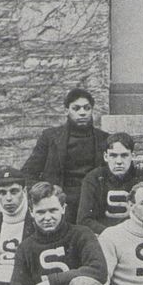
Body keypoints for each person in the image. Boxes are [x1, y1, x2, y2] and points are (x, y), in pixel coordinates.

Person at [22, 88, 109, 223]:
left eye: (87, 108)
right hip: (59, 205)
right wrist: (46, 194)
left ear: (92, 110)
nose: (82, 113)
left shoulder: (104, 139)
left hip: (92, 206)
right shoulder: (50, 137)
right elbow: (28, 173)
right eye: (76, 108)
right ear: (66, 110)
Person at [77, 132, 143, 234]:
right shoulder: (94, 178)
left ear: (132, 156)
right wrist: (112, 234)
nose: (119, 161)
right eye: (113, 156)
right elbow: (84, 220)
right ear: (106, 157)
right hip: (105, 236)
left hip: (138, 235)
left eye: (124, 155)